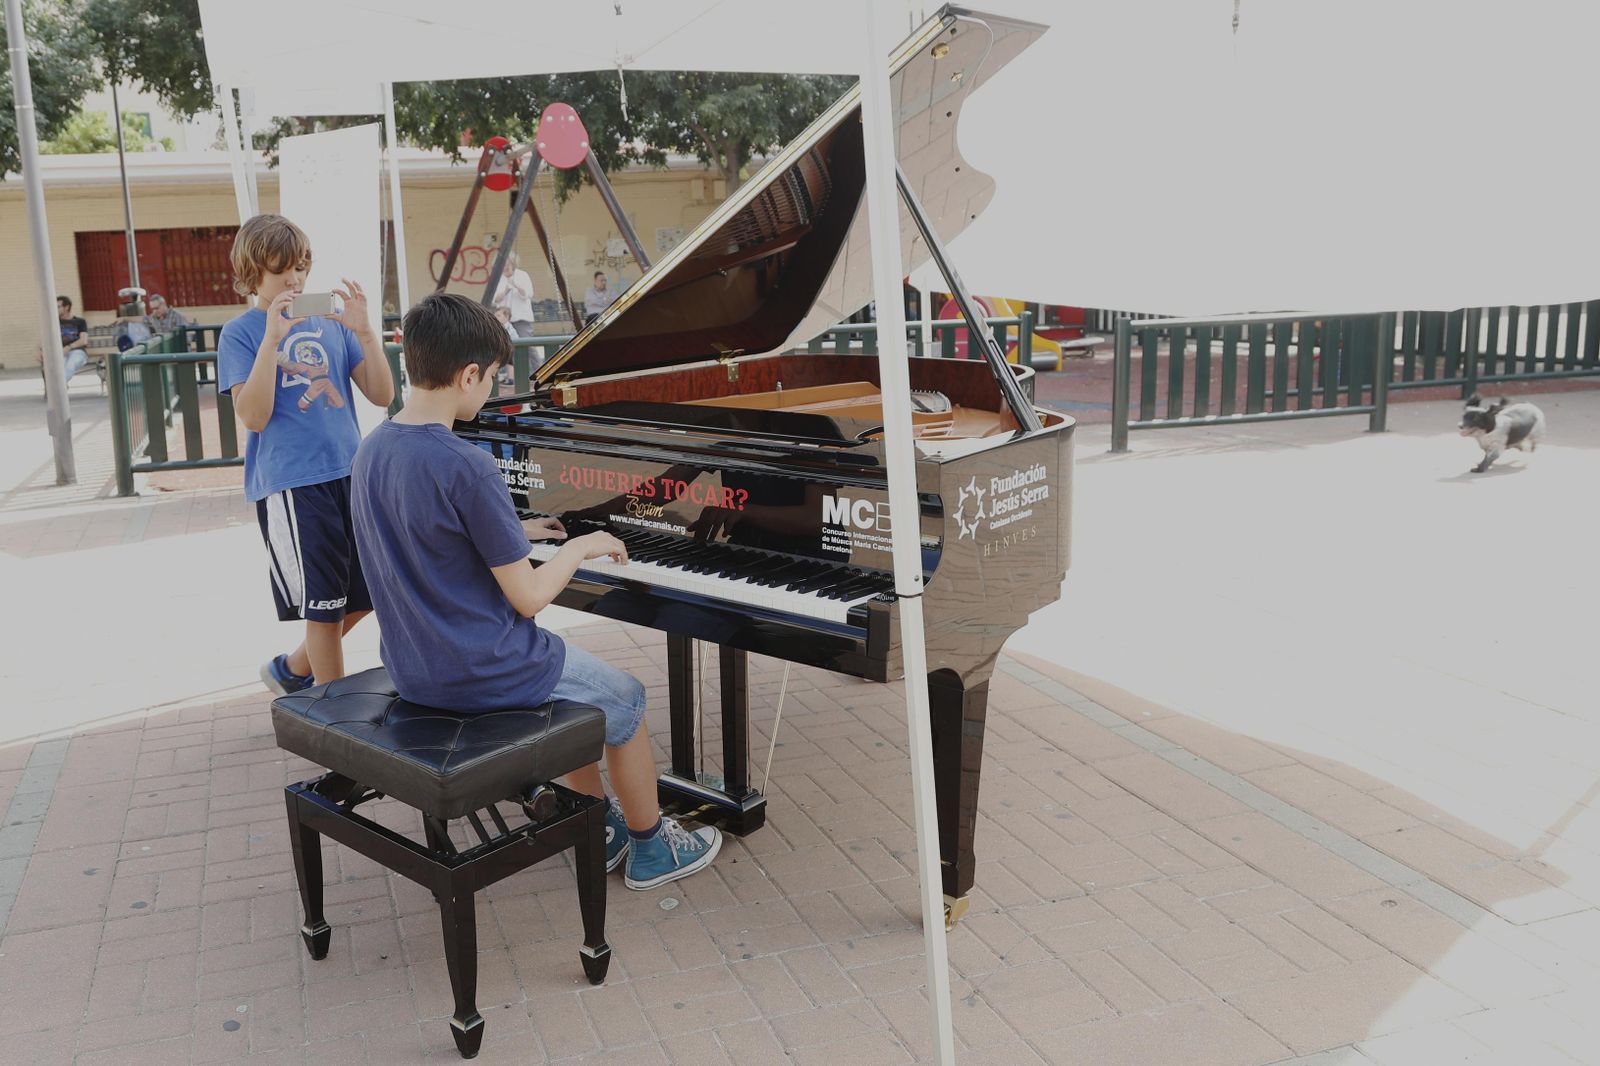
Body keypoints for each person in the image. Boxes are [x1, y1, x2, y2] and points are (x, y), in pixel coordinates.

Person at [349, 292, 721, 891]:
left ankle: (598, 830)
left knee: (581, 696)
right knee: (625, 698)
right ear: (469, 374)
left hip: (414, 668)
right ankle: (653, 848)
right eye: (493, 379)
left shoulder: (373, 448)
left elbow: (425, 530)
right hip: (484, 668)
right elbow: (528, 598)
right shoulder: (466, 464)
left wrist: (510, 531)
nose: (491, 391)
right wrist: (579, 546)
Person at [216, 213, 396, 695]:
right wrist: (273, 339)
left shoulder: (331, 324)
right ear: (252, 274)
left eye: (300, 267)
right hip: (294, 485)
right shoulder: (241, 333)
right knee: (325, 608)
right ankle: (334, 719)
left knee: (368, 592)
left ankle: (292, 671)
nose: (294, 280)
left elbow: (382, 394)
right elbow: (253, 416)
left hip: (350, 475)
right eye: (281, 271)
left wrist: (365, 332)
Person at [492, 251, 537, 338]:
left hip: (521, 317)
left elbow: (529, 294)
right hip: (503, 319)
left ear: (513, 264)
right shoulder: (497, 278)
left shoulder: (522, 275)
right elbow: (495, 299)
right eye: (502, 265)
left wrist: (517, 286)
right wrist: (505, 292)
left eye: (507, 265)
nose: (505, 267)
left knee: (526, 343)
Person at [55, 296, 90, 378]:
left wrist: (69, 347)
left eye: (58, 307)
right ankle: (61, 385)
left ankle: (59, 385)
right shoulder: (54, 322)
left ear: (66, 307)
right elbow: (43, 339)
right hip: (60, 353)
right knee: (58, 368)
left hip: (77, 352)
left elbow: (83, 340)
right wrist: (39, 351)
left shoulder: (80, 321)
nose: (55, 309)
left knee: (70, 364)